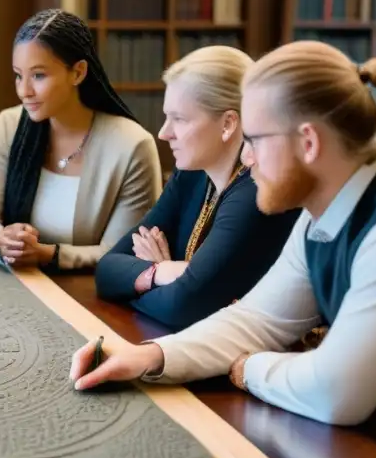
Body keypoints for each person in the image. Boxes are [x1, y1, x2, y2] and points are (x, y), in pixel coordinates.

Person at [71, 43, 376, 427]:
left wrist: (250, 367)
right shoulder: (318, 216)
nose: (247, 158)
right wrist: (149, 356)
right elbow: (258, 319)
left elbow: (336, 393)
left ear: (308, 143)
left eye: (254, 140)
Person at [95, 46, 300, 330]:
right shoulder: (191, 174)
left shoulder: (256, 190)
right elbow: (106, 271)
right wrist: (160, 273)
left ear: (228, 123)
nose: (164, 133)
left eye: (179, 119)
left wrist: (138, 283)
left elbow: (182, 308)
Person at [0, 9, 162, 272]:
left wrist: (48, 254)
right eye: (18, 75)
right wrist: (2, 240)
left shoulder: (132, 146)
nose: (24, 91)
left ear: (78, 72)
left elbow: (123, 253)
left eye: (38, 75)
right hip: (18, 285)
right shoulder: (9, 126)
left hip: (93, 297)